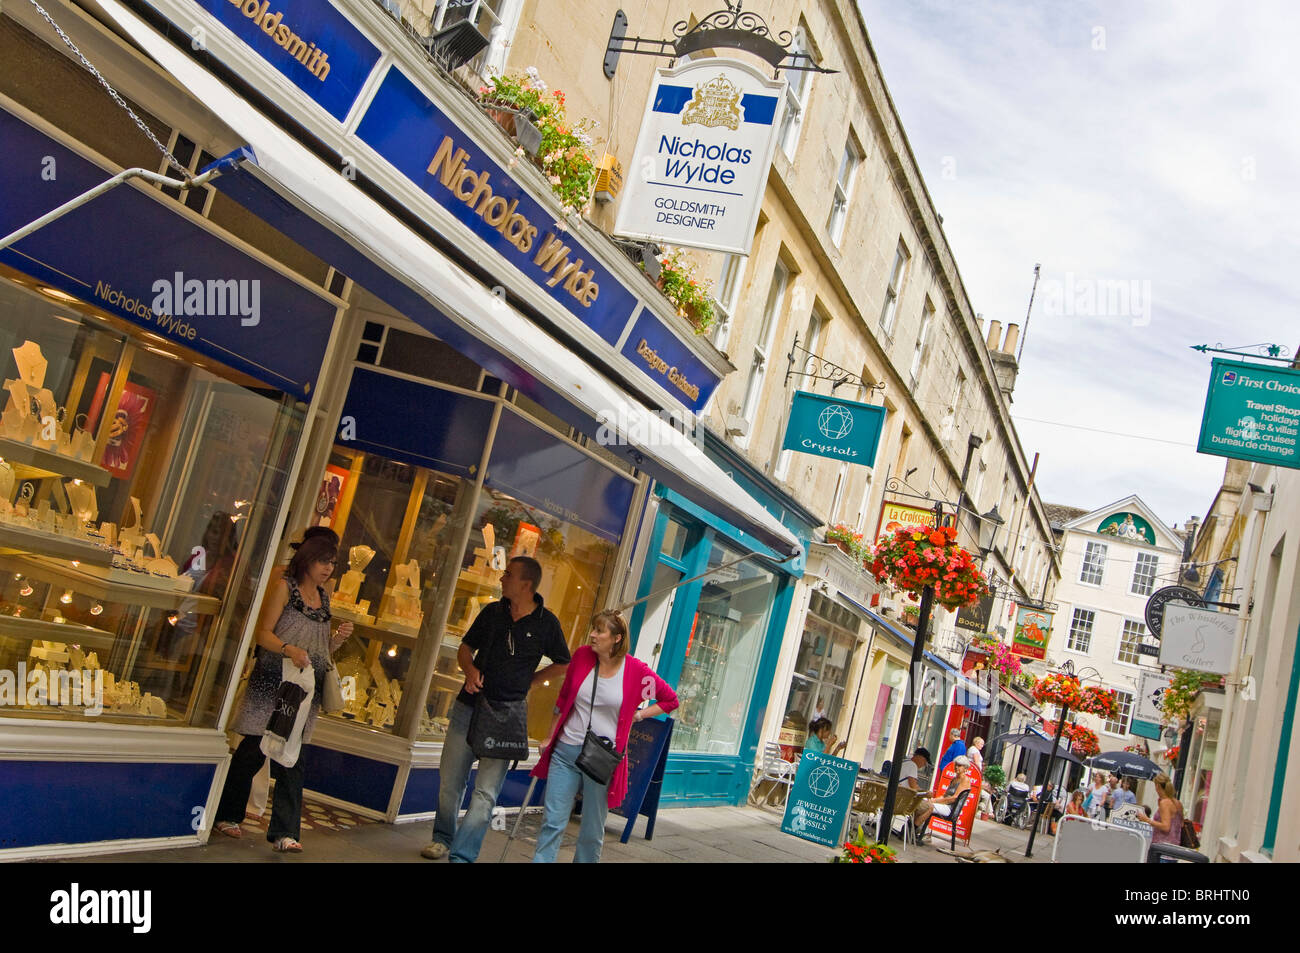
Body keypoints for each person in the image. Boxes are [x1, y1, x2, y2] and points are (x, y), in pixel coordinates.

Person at [422, 556, 570, 863]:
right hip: (468, 708)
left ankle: (462, 855)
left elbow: (563, 663)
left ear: (525, 584)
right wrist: (469, 670)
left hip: (506, 715)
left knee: (486, 793)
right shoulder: (492, 612)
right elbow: (466, 647)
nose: (502, 579)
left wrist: (532, 680)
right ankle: (442, 839)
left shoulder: (546, 623)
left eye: (508, 575)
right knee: (450, 781)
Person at [212, 534, 353, 852]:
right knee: (253, 749)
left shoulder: (324, 598)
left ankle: (285, 832)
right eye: (323, 561)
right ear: (307, 560)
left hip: (303, 690)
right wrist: (288, 649)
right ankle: (226, 813)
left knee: (293, 758)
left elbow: (321, 650)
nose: (328, 569)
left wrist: (337, 640)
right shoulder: (284, 588)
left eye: (332, 563)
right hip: (274, 680)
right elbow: (263, 633)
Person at [531, 610, 678, 863]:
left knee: (591, 830)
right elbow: (564, 698)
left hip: (601, 758)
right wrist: (549, 736)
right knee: (552, 822)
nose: (593, 635)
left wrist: (639, 715)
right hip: (565, 750)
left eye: (600, 631)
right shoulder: (582, 657)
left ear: (617, 638)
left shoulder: (635, 672)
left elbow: (669, 700)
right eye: (594, 629)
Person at [915, 755, 974, 842]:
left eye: (959, 765)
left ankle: (913, 828)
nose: (957, 767)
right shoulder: (954, 779)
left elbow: (954, 798)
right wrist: (933, 799)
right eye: (956, 765)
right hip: (944, 805)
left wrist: (935, 801)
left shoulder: (965, 780)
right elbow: (945, 796)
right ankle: (915, 828)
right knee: (922, 803)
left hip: (951, 809)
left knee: (928, 807)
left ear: (965, 768)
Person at [1137, 773, 1184, 859]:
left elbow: (1166, 827)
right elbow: (1181, 824)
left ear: (1157, 786)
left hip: (1162, 850)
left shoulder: (1165, 803)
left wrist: (1146, 819)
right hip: (1174, 852)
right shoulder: (1177, 803)